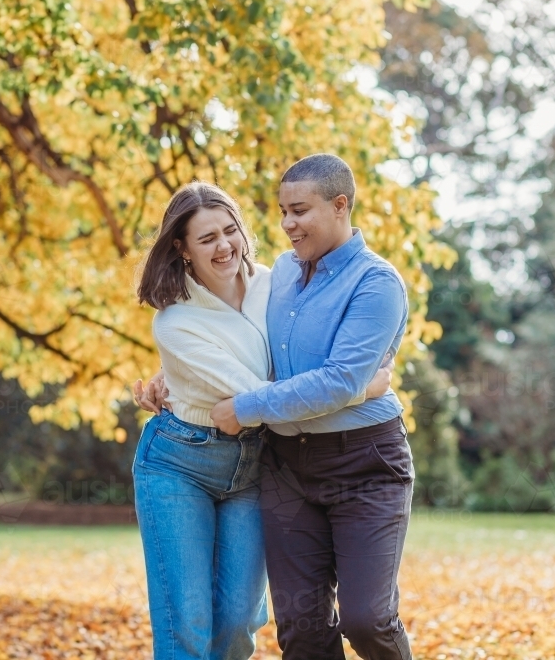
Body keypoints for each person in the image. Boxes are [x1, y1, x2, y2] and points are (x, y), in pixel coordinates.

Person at [132, 180, 394, 660]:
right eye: (206, 238)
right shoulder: (174, 321)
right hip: (180, 463)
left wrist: (346, 373)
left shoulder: (276, 283)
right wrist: (364, 385)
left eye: (229, 231)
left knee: (238, 621)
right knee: (186, 622)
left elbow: (301, 355)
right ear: (182, 249)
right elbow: (256, 393)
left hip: (257, 462)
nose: (224, 245)